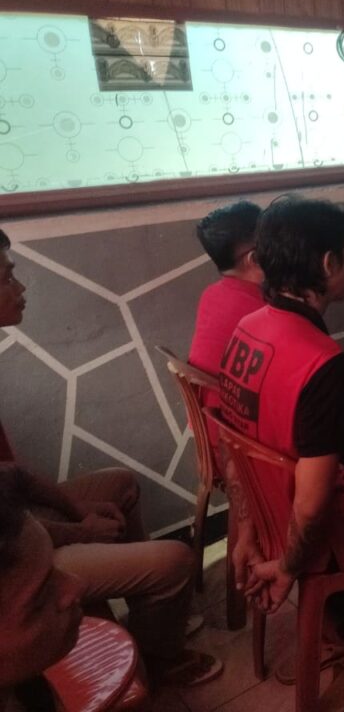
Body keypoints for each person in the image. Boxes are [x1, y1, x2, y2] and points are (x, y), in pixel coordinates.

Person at [0, 228, 222, 688]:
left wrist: (74, 506)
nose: (19, 288)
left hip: (20, 519)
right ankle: (159, 659)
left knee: (121, 484)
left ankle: (151, 617)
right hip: (14, 562)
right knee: (175, 560)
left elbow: (12, 476)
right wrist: (77, 531)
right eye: (6, 278)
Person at [219, 195, 344, 681]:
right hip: (323, 529)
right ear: (328, 263)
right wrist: (288, 568)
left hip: (267, 504)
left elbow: (234, 450)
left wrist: (249, 532)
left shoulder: (247, 328)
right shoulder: (321, 361)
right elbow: (313, 502)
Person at [189, 201, 265, 465]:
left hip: (213, 435)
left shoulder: (211, 295)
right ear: (255, 258)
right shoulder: (260, 312)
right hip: (244, 451)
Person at [0, 468, 84, 705]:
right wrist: (85, 531)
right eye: (39, 598)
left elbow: (17, 474)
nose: (78, 585)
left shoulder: (26, 684)